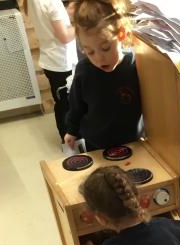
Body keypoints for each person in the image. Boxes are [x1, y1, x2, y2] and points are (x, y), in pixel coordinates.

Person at [64, 0, 143, 151]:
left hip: (132, 143)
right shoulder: (84, 71)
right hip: (96, 145)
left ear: (121, 34)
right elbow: (76, 106)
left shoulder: (136, 65)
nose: (99, 59)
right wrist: (71, 131)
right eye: (89, 52)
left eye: (105, 48)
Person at [24, 0, 77, 140]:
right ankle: (69, 143)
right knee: (66, 105)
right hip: (60, 62)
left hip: (51, 60)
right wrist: (83, 24)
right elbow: (64, 37)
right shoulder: (52, 2)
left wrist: (66, 12)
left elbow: (49, 21)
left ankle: (68, 141)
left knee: (62, 103)